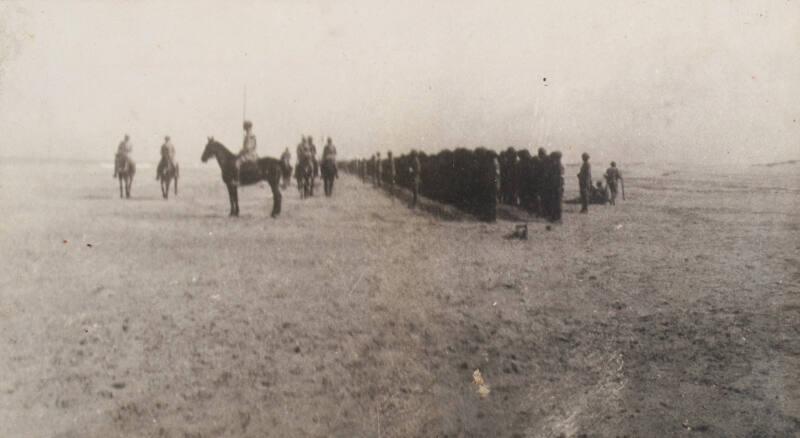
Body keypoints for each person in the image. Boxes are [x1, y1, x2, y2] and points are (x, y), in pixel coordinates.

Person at [233, 120, 258, 186]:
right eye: (245, 128)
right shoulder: (251, 135)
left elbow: (248, 147)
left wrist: (242, 151)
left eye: (246, 128)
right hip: (252, 153)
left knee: (237, 163)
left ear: (248, 128)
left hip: (250, 154)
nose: (245, 129)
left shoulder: (249, 136)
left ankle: (238, 180)